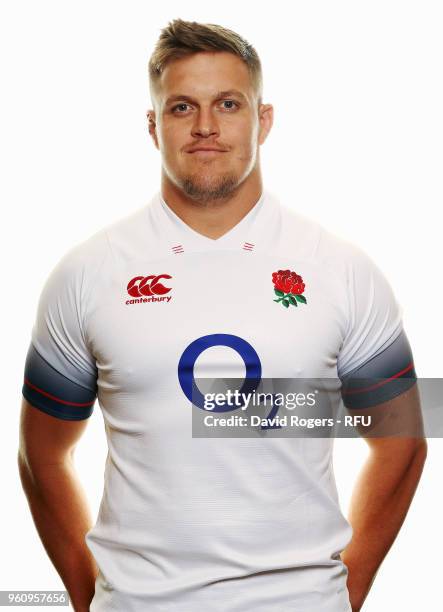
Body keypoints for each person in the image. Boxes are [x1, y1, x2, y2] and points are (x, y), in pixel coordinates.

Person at [18, 18, 427, 612]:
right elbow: (42, 453)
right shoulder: (88, 272)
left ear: (263, 120)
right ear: (154, 126)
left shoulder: (340, 269)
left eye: (228, 104)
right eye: (183, 107)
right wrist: (93, 598)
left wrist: (341, 590)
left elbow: (401, 441)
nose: (206, 126)